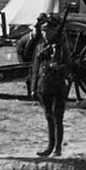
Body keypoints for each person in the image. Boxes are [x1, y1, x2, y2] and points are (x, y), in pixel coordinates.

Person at [28, 13, 71, 157]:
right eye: (44, 31)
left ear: (54, 31)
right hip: (43, 86)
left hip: (58, 86)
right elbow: (35, 68)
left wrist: (57, 67)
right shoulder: (40, 46)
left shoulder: (61, 47)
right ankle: (50, 146)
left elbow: (68, 66)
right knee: (48, 117)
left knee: (57, 117)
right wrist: (33, 88)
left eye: (48, 31)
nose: (45, 34)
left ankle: (57, 148)